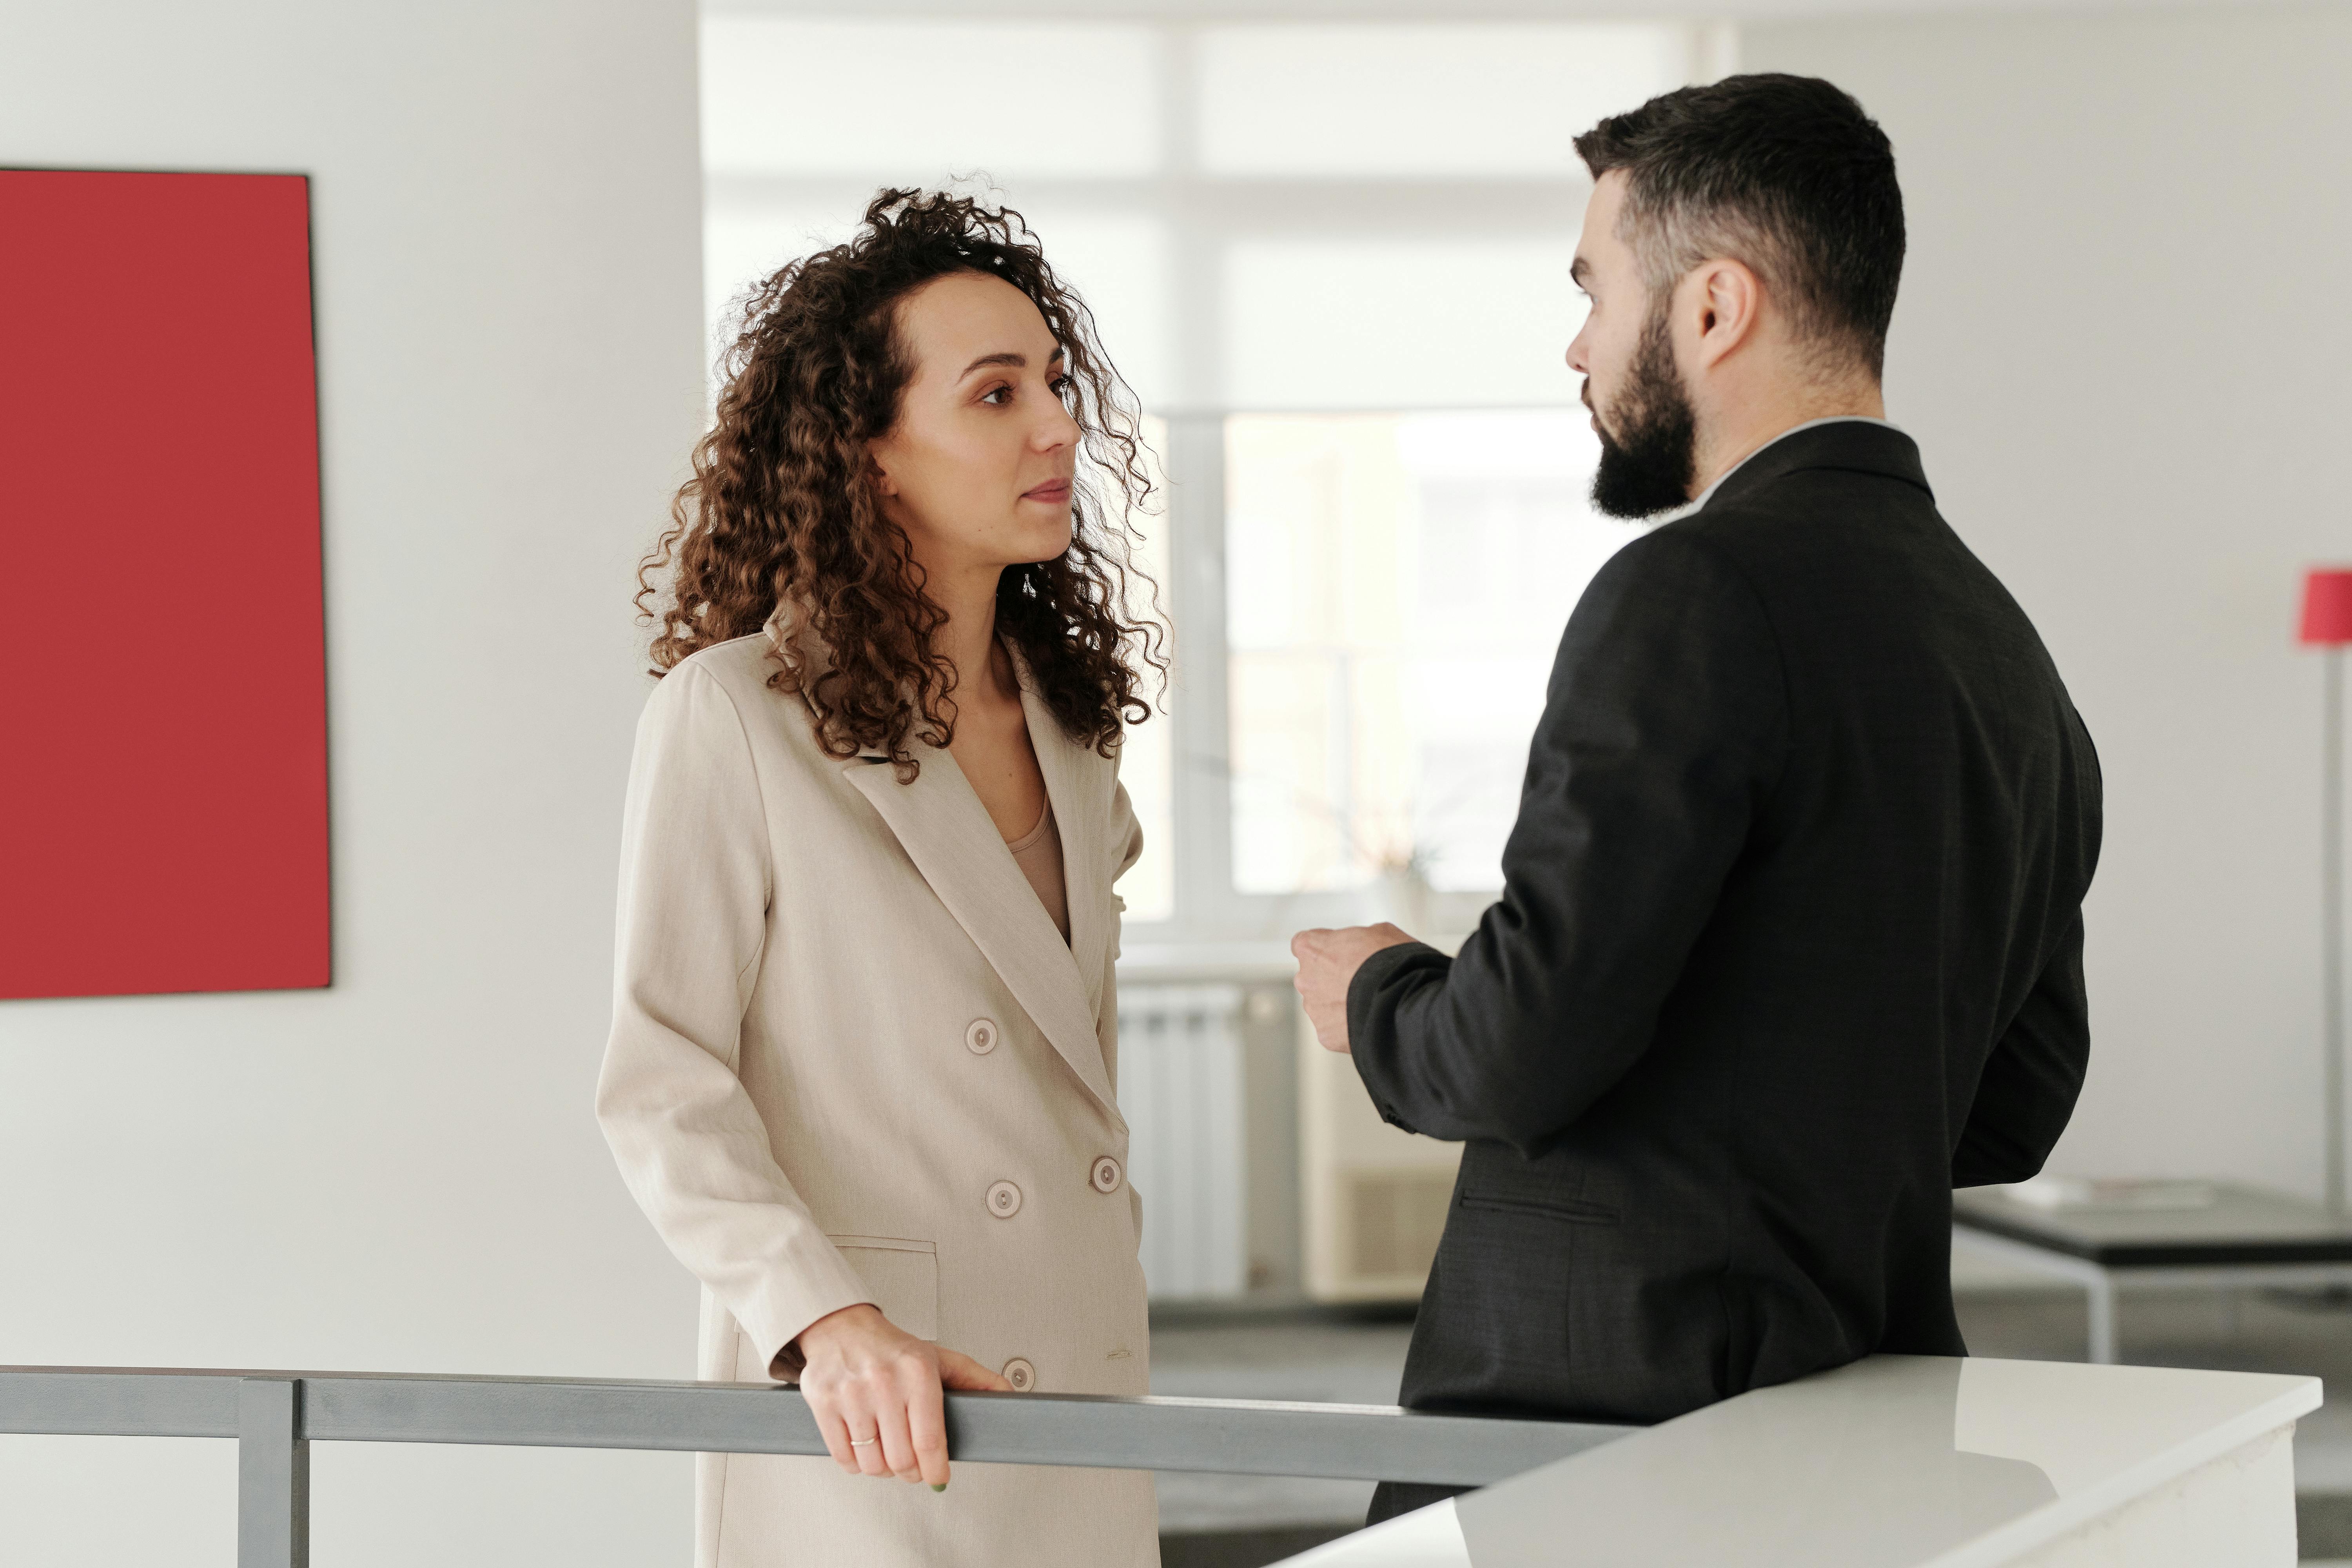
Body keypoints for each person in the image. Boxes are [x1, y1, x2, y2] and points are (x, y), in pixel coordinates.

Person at [1291, 74, 2102, 1526]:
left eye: (1596, 290)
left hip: (1613, 1458)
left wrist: (1376, 996)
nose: (1578, 344)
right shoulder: (2008, 648)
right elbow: (2012, 1107)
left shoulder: (1689, 594)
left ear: (1716, 308)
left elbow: (1512, 1055)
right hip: (1866, 1436)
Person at [597, 189, 1165, 1566]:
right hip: (882, 1405)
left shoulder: (1071, 724)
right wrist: (823, 1321)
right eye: (993, 393)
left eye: (1054, 381)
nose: (1056, 425)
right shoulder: (736, 713)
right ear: (872, 451)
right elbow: (662, 1082)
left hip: (1084, 1380)